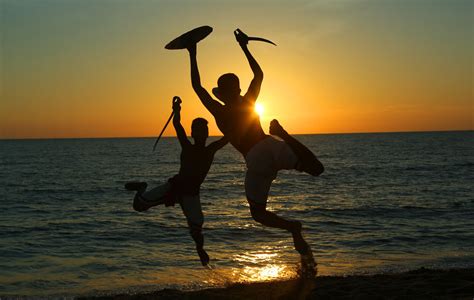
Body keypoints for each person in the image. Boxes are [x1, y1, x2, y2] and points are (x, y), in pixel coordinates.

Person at [186, 29, 324, 273]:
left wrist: (192, 52)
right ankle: (284, 134)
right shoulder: (249, 100)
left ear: (222, 92)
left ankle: (293, 227)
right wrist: (244, 46)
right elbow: (259, 74)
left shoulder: (219, 111)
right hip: (270, 144)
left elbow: (197, 86)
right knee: (316, 169)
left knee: (258, 215)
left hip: (255, 158)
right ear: (237, 89)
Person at [125, 96, 227, 266]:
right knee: (138, 206)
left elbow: (229, 135)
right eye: (197, 130)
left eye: (204, 130)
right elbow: (177, 126)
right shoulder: (187, 146)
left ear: (208, 133)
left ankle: (200, 249)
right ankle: (142, 188)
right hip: (175, 187)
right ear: (193, 133)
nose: (201, 133)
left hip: (192, 195)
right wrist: (177, 111)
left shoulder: (211, 149)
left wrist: (243, 119)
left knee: (197, 228)